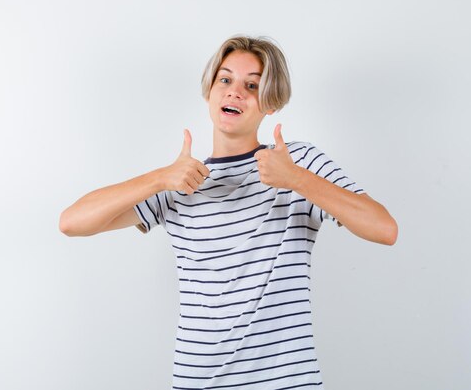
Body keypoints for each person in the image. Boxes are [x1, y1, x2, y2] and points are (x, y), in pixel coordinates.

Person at [59, 35, 397, 390]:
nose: (235, 91)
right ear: (210, 91)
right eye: (226, 79)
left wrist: (295, 178)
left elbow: (384, 229)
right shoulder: (179, 183)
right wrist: (159, 178)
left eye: (252, 85)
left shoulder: (297, 164)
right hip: (196, 382)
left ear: (271, 103)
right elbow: (72, 222)